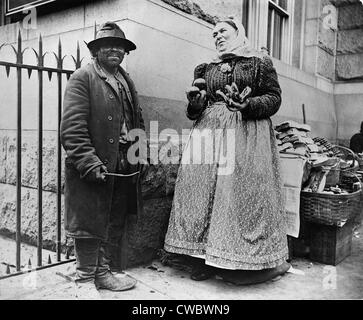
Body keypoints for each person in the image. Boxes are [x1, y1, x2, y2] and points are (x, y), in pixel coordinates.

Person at [164, 17, 290, 284]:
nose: (217, 36)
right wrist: (196, 105)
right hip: (208, 133)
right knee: (200, 192)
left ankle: (245, 259)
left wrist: (247, 105)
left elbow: (274, 97)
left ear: (237, 32)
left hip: (246, 133)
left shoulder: (259, 63)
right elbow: (194, 109)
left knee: (240, 194)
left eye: (222, 31)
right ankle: (202, 257)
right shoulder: (205, 67)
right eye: (214, 33)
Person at [60, 21, 147, 299]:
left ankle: (102, 272)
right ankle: (84, 279)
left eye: (120, 47)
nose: (115, 50)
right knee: (89, 220)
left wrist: (138, 154)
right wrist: (89, 162)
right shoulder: (82, 78)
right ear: (95, 52)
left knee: (110, 217)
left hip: (121, 163)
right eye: (107, 45)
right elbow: (72, 129)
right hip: (95, 163)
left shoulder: (125, 80)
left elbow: (137, 122)